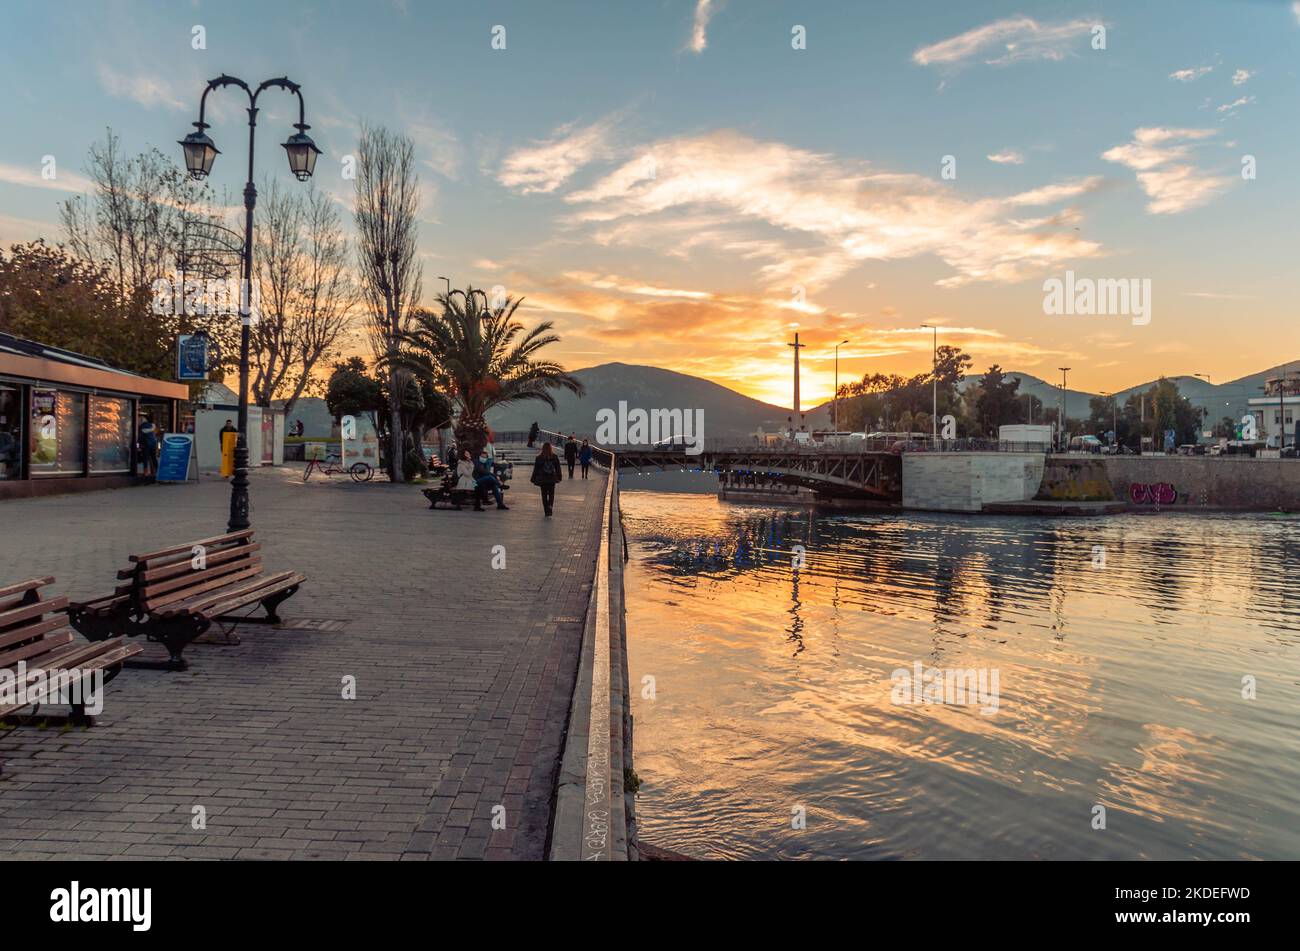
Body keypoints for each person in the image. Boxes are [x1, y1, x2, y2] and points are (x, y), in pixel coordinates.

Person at [530, 442, 563, 517]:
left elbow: (536, 469)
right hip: (552, 479)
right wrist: (559, 477)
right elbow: (558, 468)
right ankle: (550, 507)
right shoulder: (554, 457)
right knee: (551, 494)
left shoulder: (539, 458)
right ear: (551, 448)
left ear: (543, 448)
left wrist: (533, 478)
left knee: (544, 495)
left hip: (543, 479)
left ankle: (546, 510)